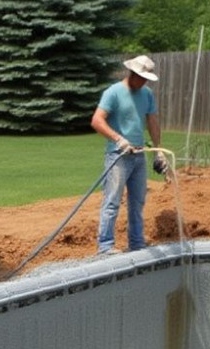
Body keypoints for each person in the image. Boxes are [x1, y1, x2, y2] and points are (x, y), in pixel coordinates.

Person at [90, 55, 167, 254]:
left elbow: (152, 121)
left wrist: (159, 151)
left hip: (139, 155)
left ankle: (136, 243)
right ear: (132, 74)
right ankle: (105, 246)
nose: (144, 82)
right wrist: (119, 139)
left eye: (146, 79)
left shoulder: (147, 94)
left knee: (138, 201)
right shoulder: (113, 93)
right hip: (118, 156)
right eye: (142, 78)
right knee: (112, 201)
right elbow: (97, 121)